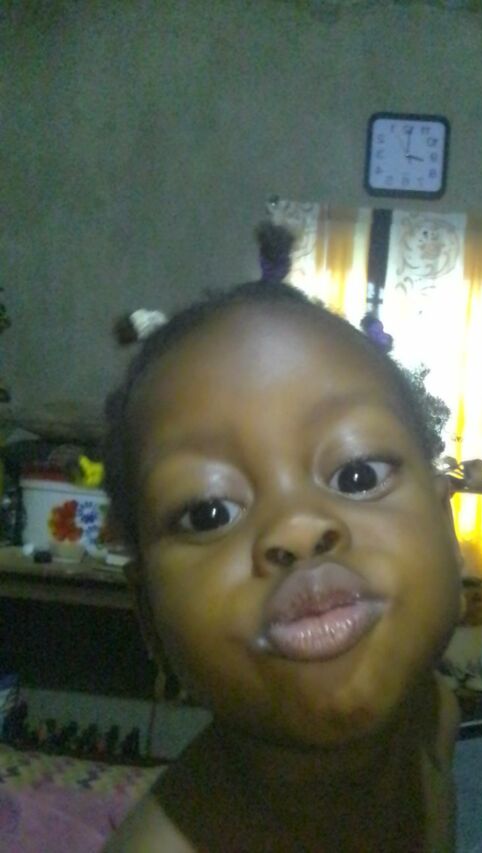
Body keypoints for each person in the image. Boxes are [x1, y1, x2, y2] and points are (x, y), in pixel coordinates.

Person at [102, 225, 462, 851]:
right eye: (209, 512)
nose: (296, 528)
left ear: (446, 525)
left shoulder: (435, 719)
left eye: (357, 475)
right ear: (148, 616)